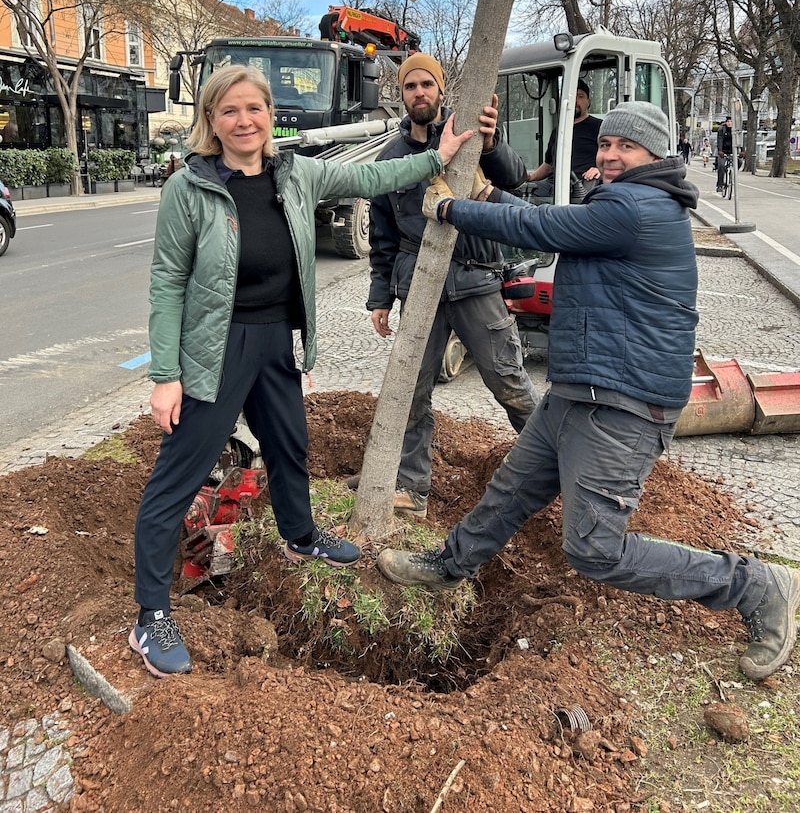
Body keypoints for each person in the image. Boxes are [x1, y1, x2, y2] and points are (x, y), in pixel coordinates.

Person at [377, 100, 800, 683]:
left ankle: (754, 585)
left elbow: (542, 228)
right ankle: (449, 566)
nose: (610, 154)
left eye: (626, 146)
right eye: (605, 145)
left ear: (655, 154)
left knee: (594, 549)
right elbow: (555, 221)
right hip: (582, 390)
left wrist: (454, 207)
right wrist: (492, 197)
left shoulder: (639, 207)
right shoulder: (618, 203)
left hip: (624, 403)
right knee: (512, 488)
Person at [129, 64, 474, 678]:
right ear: (211, 121)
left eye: (253, 109)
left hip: (276, 341)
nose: (244, 121)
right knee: (176, 479)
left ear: (269, 115)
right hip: (214, 348)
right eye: (229, 111)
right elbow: (165, 282)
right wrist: (165, 374)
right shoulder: (191, 187)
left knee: (290, 448)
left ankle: (300, 534)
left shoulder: (296, 172)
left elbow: (371, 175)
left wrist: (436, 156)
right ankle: (150, 614)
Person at [360, 53, 539, 519]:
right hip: (419, 287)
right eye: (410, 86)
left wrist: (491, 141)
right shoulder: (392, 159)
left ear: (440, 90)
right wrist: (380, 297)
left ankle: (551, 467)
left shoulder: (469, 135)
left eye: (426, 84)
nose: (419, 93)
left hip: (475, 280)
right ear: (401, 95)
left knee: (510, 382)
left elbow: (515, 177)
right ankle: (412, 488)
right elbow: (382, 235)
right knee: (413, 389)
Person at [524, 79, 601, 199]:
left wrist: (600, 169)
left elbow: (611, 156)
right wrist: (530, 177)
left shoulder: (599, 127)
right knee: (517, 192)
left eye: (580, 96)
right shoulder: (558, 130)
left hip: (580, 185)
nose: (575, 101)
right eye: (571, 96)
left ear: (588, 102)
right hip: (552, 184)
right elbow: (548, 164)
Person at [716, 116, 733, 192]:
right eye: (728, 121)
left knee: (739, 161)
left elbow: (739, 140)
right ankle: (720, 185)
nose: (730, 123)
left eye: (731, 122)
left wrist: (742, 151)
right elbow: (720, 140)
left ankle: (731, 174)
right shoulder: (722, 129)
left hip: (732, 151)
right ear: (726, 122)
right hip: (723, 151)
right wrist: (720, 150)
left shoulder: (735, 130)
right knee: (721, 166)